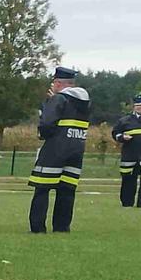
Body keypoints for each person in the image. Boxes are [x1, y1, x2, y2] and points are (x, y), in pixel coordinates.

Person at [29, 66, 89, 234]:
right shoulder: (84, 102)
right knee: (67, 189)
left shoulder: (58, 99)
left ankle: (38, 228)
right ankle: (62, 228)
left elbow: (47, 124)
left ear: (58, 83)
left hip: (56, 148)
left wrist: (49, 103)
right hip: (77, 149)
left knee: (42, 187)